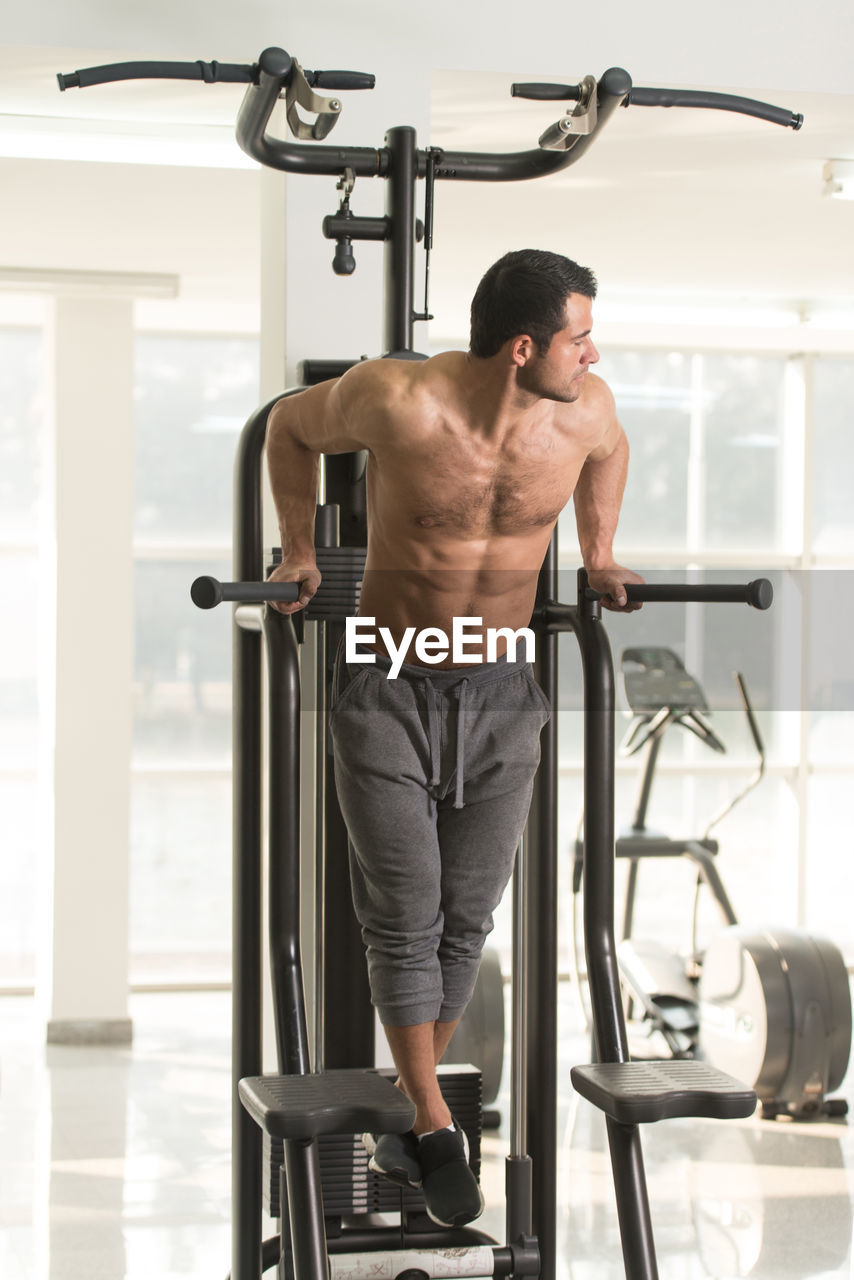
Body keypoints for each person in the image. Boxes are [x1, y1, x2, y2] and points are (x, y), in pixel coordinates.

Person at [265, 248, 642, 1227]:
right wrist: (300, 548)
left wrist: (596, 550)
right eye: (577, 335)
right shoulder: (399, 400)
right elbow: (288, 428)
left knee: (465, 914)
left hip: (501, 687)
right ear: (523, 347)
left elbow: (609, 454)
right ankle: (432, 1116)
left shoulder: (585, 408)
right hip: (386, 677)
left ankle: (408, 1106)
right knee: (406, 909)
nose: (591, 350)